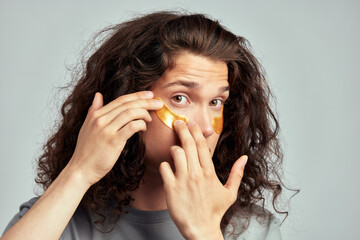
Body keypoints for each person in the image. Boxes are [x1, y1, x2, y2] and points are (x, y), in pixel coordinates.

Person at [1, 11, 291, 240]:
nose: (205, 128)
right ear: (126, 100)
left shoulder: (254, 230)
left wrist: (205, 232)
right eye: (180, 98)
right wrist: (79, 172)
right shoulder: (61, 219)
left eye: (216, 102)